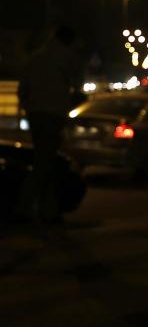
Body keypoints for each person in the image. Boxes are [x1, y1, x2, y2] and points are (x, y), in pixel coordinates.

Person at [17, 25, 84, 224]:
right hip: (53, 114)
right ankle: (26, 207)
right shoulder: (68, 58)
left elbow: (22, 90)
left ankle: (47, 209)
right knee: (46, 162)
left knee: (44, 159)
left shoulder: (35, 57)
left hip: (35, 114)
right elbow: (77, 90)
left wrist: (29, 107)